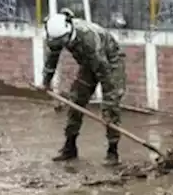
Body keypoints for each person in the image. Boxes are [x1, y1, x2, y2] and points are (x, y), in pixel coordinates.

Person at [41, 9, 127, 165]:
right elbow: (51, 59)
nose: (59, 46)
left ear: (68, 33)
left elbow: (104, 71)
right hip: (88, 64)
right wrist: (46, 82)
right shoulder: (56, 35)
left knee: (110, 107)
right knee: (75, 101)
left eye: (61, 43)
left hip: (111, 62)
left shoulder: (88, 38)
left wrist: (109, 99)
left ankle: (113, 151)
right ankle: (70, 147)